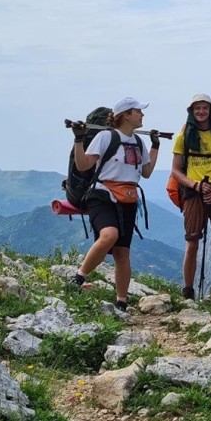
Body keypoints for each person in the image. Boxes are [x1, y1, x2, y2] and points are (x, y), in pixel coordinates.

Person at [69, 97, 160, 311]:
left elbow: (146, 172)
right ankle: (78, 279)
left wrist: (155, 146)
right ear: (126, 114)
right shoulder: (104, 137)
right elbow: (83, 166)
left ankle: (121, 301)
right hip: (102, 194)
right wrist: (78, 141)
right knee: (109, 235)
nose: (142, 115)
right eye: (139, 111)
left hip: (128, 199)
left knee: (122, 253)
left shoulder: (138, 142)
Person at [170, 93, 211, 300]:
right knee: (192, 241)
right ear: (192, 111)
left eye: (204, 108)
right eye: (197, 108)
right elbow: (175, 170)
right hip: (194, 192)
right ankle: (188, 291)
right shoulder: (183, 136)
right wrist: (196, 186)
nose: (201, 112)